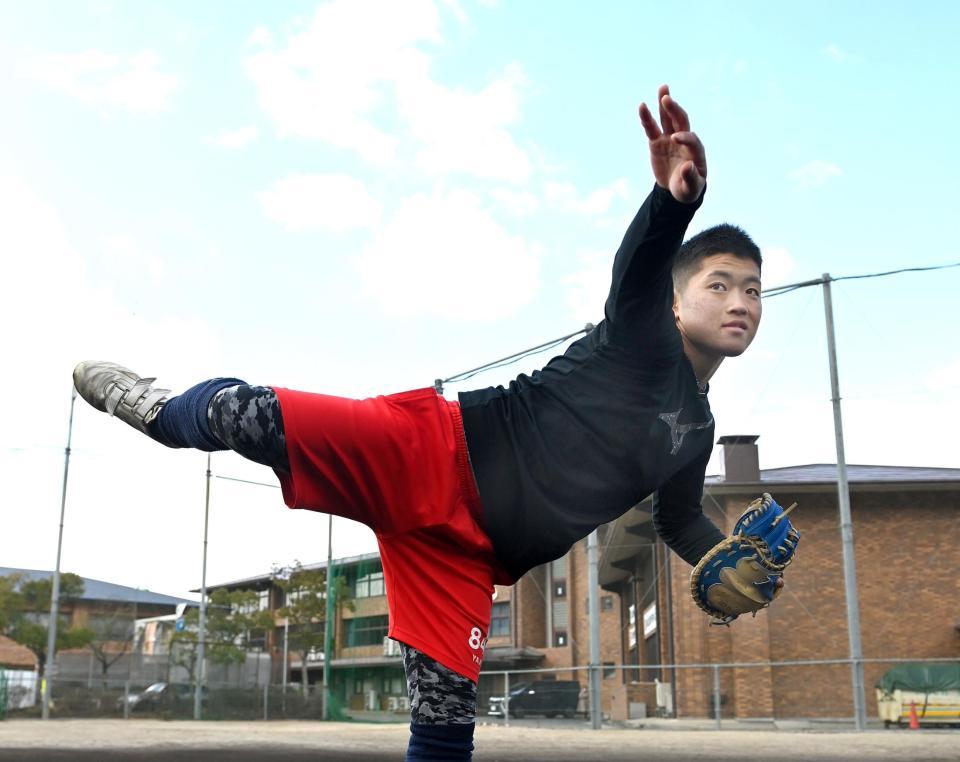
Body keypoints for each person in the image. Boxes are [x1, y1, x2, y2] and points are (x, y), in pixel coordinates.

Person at [73, 85, 764, 761]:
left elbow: (678, 519)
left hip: (467, 558)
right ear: (676, 304)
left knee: (443, 728)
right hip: (431, 453)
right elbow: (637, 273)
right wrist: (675, 203)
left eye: (754, 290)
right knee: (245, 414)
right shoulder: (642, 341)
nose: (741, 301)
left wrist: (734, 561)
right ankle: (161, 411)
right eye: (720, 284)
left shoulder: (696, 431)